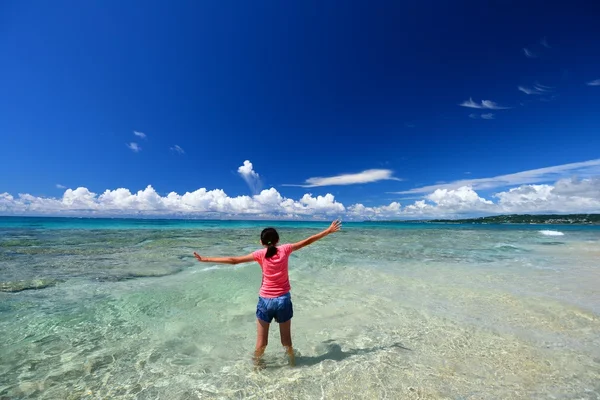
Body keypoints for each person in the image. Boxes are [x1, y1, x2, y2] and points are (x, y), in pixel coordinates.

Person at [193, 219, 342, 367]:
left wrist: (206, 259)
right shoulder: (285, 249)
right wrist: (328, 231)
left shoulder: (260, 254)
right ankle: (292, 364)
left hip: (265, 301)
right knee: (286, 341)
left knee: (261, 343)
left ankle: (256, 368)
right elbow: (307, 241)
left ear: (261, 242)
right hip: (283, 300)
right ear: (278, 240)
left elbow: (234, 260)